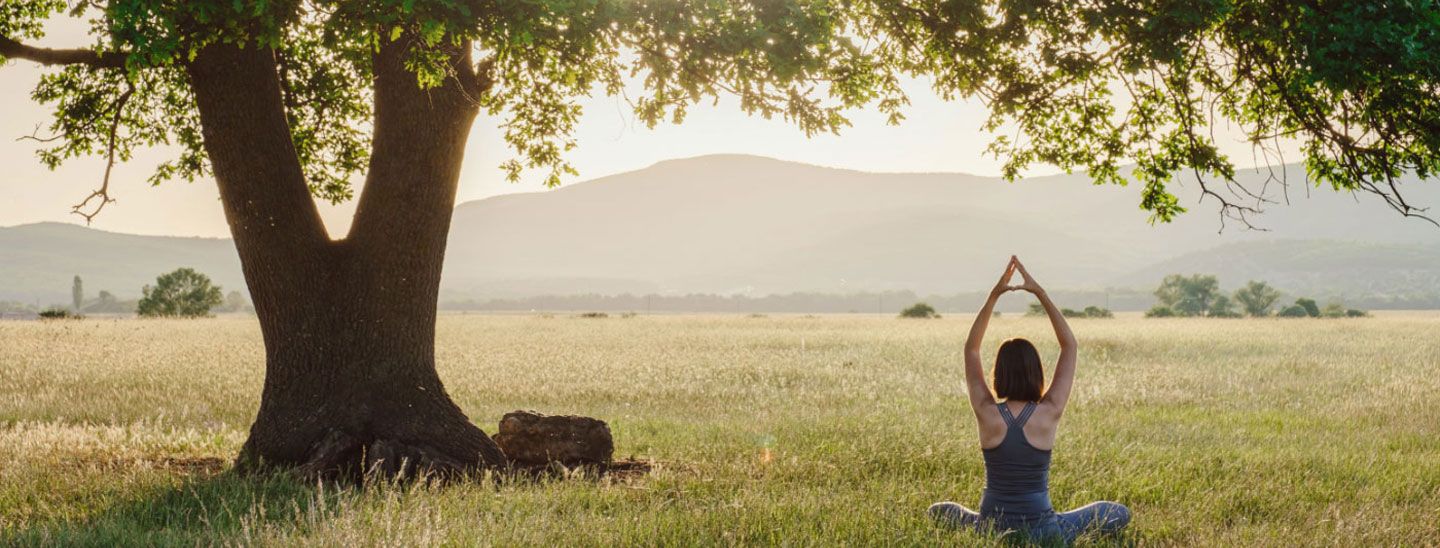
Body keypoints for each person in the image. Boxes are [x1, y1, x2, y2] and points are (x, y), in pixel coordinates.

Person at [929, 256, 1130, 543]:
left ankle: (985, 526)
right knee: (1118, 512)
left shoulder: (986, 411)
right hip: (1044, 530)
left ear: (998, 374)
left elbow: (971, 349)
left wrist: (994, 295)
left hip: (990, 527)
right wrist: (1039, 293)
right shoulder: (1050, 411)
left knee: (939, 510)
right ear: (1037, 372)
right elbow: (1069, 346)